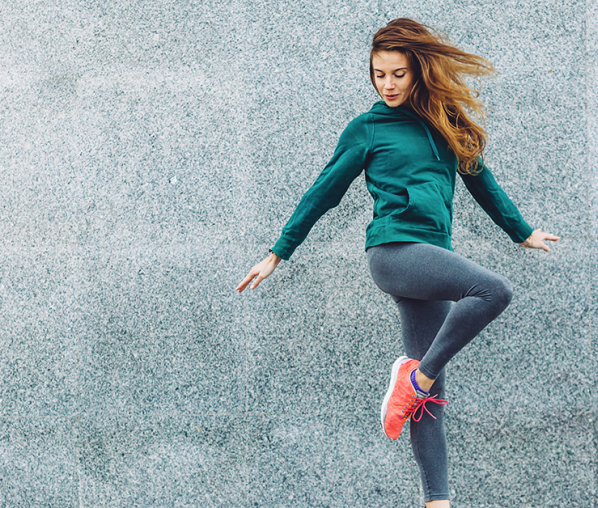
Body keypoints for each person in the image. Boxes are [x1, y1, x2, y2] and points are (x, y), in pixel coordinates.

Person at [235, 18, 559, 508]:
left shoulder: (443, 121)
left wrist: (523, 232)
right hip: (393, 253)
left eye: (397, 74)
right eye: (378, 74)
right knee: (492, 292)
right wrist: (279, 251)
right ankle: (414, 378)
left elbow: (480, 179)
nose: (386, 84)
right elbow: (324, 192)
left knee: (428, 403)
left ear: (418, 73)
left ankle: (437, 500)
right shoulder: (367, 129)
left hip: (432, 256)